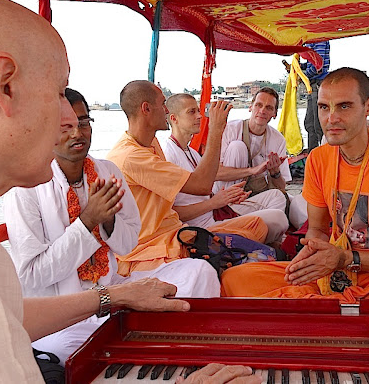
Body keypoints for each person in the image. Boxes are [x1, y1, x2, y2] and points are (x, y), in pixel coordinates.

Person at [0, 0, 257, 383]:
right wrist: (88, 222)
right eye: (56, 93)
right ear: (5, 85)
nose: (69, 121)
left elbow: (6, 315)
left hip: (105, 293)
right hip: (70, 328)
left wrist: (112, 293)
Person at [220, 67, 369, 362]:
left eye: (344, 106)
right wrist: (311, 253)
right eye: (324, 107)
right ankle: (336, 328)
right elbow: (317, 230)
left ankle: (308, 326)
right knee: (236, 280)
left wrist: (349, 260)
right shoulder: (319, 159)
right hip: (331, 273)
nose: (331, 118)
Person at [4, 88, 220, 364]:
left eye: (83, 123)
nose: (77, 134)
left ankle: (155, 345)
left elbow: (128, 244)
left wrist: (109, 222)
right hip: (66, 316)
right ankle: (157, 346)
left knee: (198, 271)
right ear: (43, 130)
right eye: (65, 127)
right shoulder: (25, 188)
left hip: (116, 290)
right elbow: (33, 276)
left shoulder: (107, 172)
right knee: (66, 349)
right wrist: (88, 221)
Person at [107, 81, 269, 275]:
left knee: (257, 226)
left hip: (179, 231)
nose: (166, 109)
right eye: (163, 103)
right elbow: (202, 185)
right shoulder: (131, 156)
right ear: (146, 109)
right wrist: (216, 130)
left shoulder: (151, 143)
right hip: (152, 248)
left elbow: (203, 184)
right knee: (215, 266)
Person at [164, 93, 288, 245]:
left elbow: (206, 189)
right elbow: (170, 215)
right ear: (174, 119)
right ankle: (261, 242)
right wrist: (215, 202)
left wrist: (227, 197)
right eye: (192, 112)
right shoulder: (168, 155)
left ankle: (259, 241)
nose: (199, 116)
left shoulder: (192, 153)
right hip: (204, 227)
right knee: (278, 219)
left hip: (218, 211)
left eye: (198, 111)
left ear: (274, 113)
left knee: (277, 197)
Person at [214, 87, 291, 194]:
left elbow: (282, 187)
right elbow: (215, 173)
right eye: (259, 105)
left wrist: (275, 172)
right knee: (237, 147)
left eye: (268, 108)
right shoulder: (231, 129)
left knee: (279, 196)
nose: (262, 111)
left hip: (254, 192)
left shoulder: (278, 139)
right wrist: (252, 171)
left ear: (275, 114)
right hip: (225, 193)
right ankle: (229, 205)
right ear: (250, 107)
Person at [301, 41, 330, 152]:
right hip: (311, 85)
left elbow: (318, 66)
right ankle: (312, 152)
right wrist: (299, 67)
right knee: (309, 123)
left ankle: (325, 152)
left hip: (319, 84)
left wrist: (303, 76)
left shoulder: (320, 40)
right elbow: (310, 63)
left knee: (318, 124)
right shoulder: (309, 42)